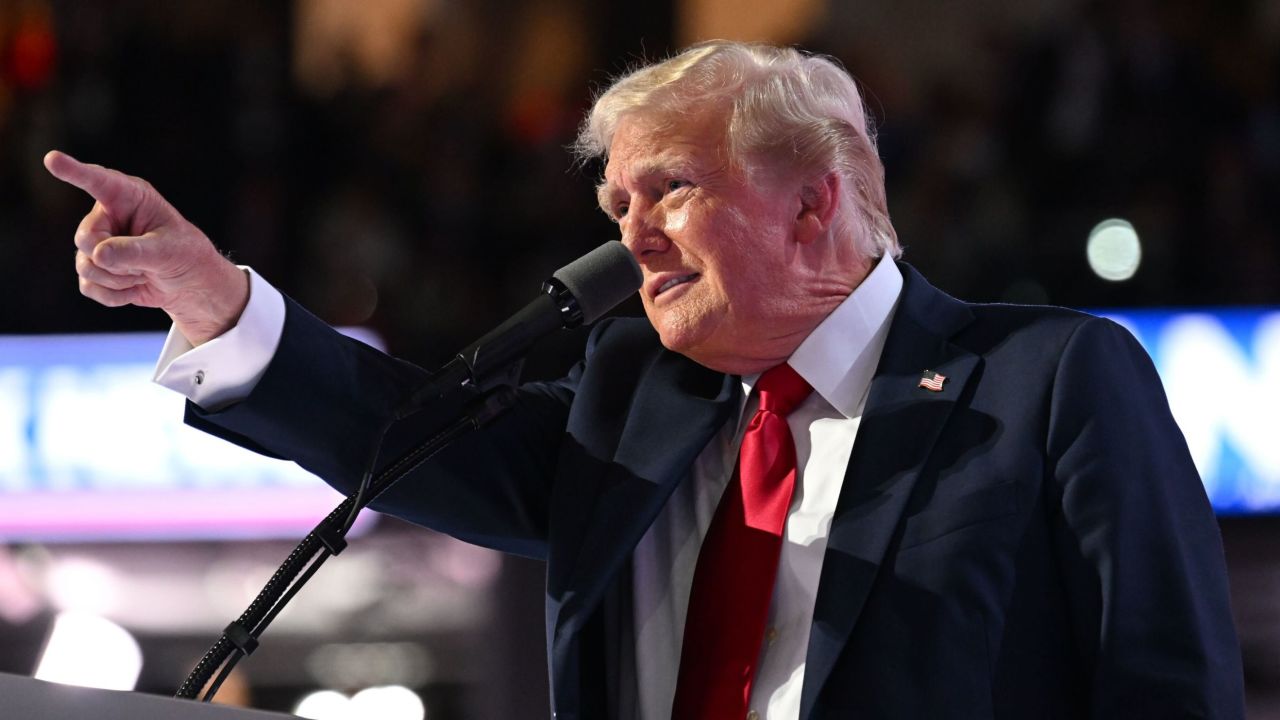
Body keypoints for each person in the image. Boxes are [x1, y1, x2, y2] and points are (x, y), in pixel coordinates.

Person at [46, 41, 1243, 719]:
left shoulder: (1045, 382)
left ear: (812, 200)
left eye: (666, 188)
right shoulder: (635, 394)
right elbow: (405, 436)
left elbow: (1164, 693)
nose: (632, 239)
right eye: (614, 205)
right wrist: (213, 300)